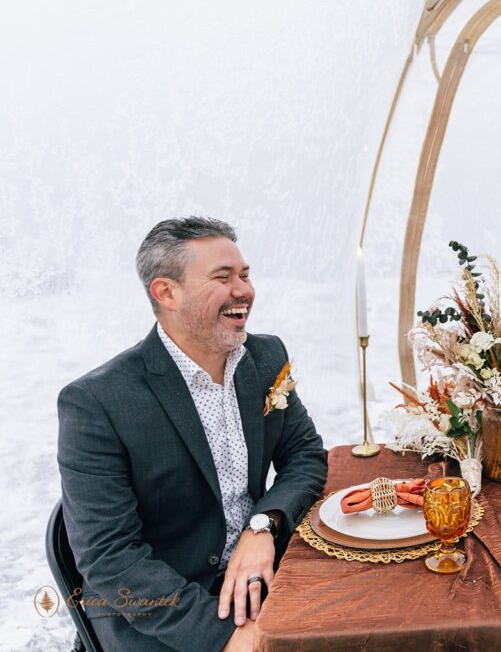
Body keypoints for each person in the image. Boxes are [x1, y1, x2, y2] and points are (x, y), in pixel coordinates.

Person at [57, 217, 328, 651]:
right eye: (223, 278)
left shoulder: (265, 356)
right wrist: (226, 638)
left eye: (245, 275)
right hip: (162, 618)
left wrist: (262, 527)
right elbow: (110, 559)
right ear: (166, 292)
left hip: (264, 578)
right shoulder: (96, 402)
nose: (244, 290)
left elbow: (306, 456)